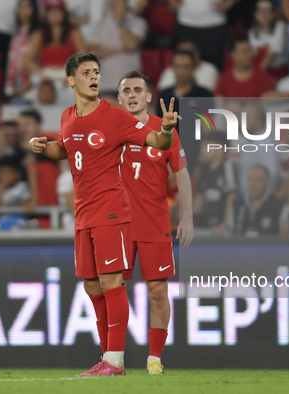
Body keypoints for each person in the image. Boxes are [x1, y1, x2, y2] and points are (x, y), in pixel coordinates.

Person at [28, 52, 178, 376]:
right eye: (86, 72)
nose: (94, 77)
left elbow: (156, 140)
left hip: (110, 211)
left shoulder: (114, 116)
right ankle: (108, 358)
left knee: (111, 281)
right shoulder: (68, 116)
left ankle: (115, 360)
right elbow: (67, 149)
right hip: (82, 215)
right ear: (71, 80)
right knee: (92, 287)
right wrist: (45, 147)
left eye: (96, 72)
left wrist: (165, 130)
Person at [117, 70, 193, 374]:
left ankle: (154, 359)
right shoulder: (109, 127)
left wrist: (186, 215)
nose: (132, 94)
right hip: (117, 223)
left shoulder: (165, 130)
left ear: (149, 97)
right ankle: (112, 358)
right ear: (120, 97)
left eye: (138, 89)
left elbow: (182, 172)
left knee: (158, 292)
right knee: (112, 290)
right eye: (127, 90)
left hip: (154, 222)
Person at [24, 0, 87, 103]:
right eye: (51, 12)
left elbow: (84, 57)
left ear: (64, 14)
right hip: (46, 74)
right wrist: (40, 73)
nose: (54, 15)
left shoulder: (74, 33)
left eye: (58, 12)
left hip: (66, 74)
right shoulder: (40, 34)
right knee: (33, 95)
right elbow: (27, 59)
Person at [89, 0, 147, 101]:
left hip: (131, 83)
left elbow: (131, 44)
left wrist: (120, 22)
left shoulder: (137, 22)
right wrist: (120, 48)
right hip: (106, 85)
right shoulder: (100, 25)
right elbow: (94, 54)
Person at [171, 0, 232, 70]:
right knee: (183, 63)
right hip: (186, 21)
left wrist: (230, 2)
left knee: (214, 66)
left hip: (214, 22)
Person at [231, 165, 286, 236]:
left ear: (267, 181)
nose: (254, 184)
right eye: (251, 179)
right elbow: (229, 232)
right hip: (241, 246)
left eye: (258, 180)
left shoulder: (280, 207)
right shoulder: (237, 204)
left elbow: (284, 239)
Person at [156, 50, 213, 116]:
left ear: (193, 67)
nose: (181, 72)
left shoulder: (204, 95)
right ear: (172, 67)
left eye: (186, 67)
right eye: (178, 66)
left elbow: (207, 123)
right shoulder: (164, 95)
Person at [4, 0, 39, 103]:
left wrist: (31, 82)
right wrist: (9, 83)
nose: (24, 11)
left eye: (27, 7)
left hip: (32, 81)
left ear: (34, 10)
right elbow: (11, 60)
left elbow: (38, 59)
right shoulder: (15, 32)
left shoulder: (38, 32)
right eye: (21, 7)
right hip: (16, 81)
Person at [248, 0, 286, 73]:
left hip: (278, 70)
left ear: (274, 13)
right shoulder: (252, 32)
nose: (264, 13)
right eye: (260, 10)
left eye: (268, 10)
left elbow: (272, 54)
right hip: (259, 69)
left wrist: (257, 75)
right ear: (255, 13)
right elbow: (254, 55)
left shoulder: (280, 26)